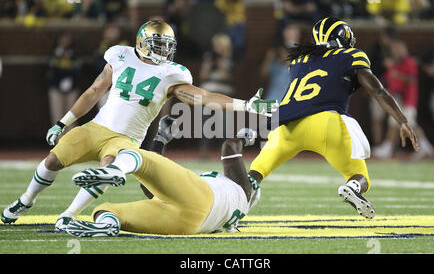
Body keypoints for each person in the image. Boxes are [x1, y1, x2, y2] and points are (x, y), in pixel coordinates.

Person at [1, 20, 277, 229]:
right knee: (52, 160)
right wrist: (63, 122)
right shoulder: (119, 55)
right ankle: (26, 199)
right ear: (143, 42)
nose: (165, 50)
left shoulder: (172, 74)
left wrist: (245, 104)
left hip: (126, 139)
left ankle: (68, 216)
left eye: (168, 45)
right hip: (97, 126)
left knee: (107, 169)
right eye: (159, 44)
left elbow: (203, 97)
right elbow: (94, 91)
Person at [247, 17, 419, 219]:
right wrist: (402, 121)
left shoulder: (299, 60)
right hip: (326, 123)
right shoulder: (350, 55)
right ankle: (352, 187)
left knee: (255, 173)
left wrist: (257, 127)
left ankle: (236, 205)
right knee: (360, 177)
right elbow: (378, 91)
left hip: (287, 125)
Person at [64, 115, 260, 237]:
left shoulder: (242, 190)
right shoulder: (234, 208)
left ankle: (115, 169)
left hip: (204, 198)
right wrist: (161, 140)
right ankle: (107, 225)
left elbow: (230, 147)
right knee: (106, 210)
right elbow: (150, 189)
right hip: (187, 225)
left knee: (135, 154)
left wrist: (246, 136)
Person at [373, 39, 434, 160]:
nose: (396, 51)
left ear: (404, 49)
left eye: (398, 49)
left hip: (408, 100)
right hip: (397, 100)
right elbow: (387, 79)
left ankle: (426, 147)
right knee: (393, 124)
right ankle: (388, 148)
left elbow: (413, 80)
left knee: (411, 124)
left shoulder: (409, 62)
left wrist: (397, 74)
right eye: (394, 50)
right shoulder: (395, 63)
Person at [47, 32, 80, 129]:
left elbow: (78, 70)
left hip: (72, 89)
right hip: (56, 88)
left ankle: (70, 142)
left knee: (71, 117)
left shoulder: (74, 54)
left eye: (67, 39)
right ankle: (58, 142)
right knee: (57, 116)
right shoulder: (54, 54)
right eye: (63, 39)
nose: (65, 42)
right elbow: (51, 70)